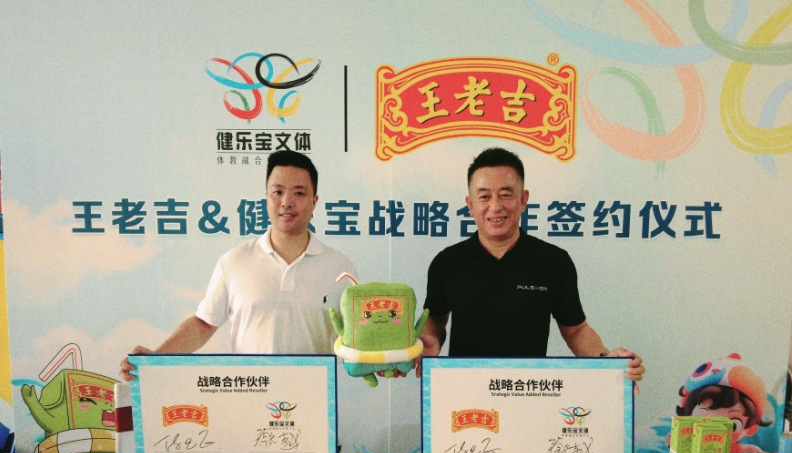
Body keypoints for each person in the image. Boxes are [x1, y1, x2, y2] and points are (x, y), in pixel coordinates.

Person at [413, 147, 645, 384]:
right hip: (464, 389)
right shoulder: (447, 262)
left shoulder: (553, 261)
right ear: (470, 204)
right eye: (484, 197)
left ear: (523, 200)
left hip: (529, 391)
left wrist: (606, 361)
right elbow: (435, 319)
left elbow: (576, 330)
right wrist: (428, 340)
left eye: (505, 194)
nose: (495, 206)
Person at [119, 150, 356, 381]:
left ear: (314, 201)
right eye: (278, 192)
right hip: (249, 396)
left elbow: (358, 334)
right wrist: (155, 358)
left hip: (316, 399)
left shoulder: (340, 267)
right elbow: (203, 324)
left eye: (299, 193)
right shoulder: (234, 261)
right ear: (266, 196)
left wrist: (377, 358)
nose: (286, 202)